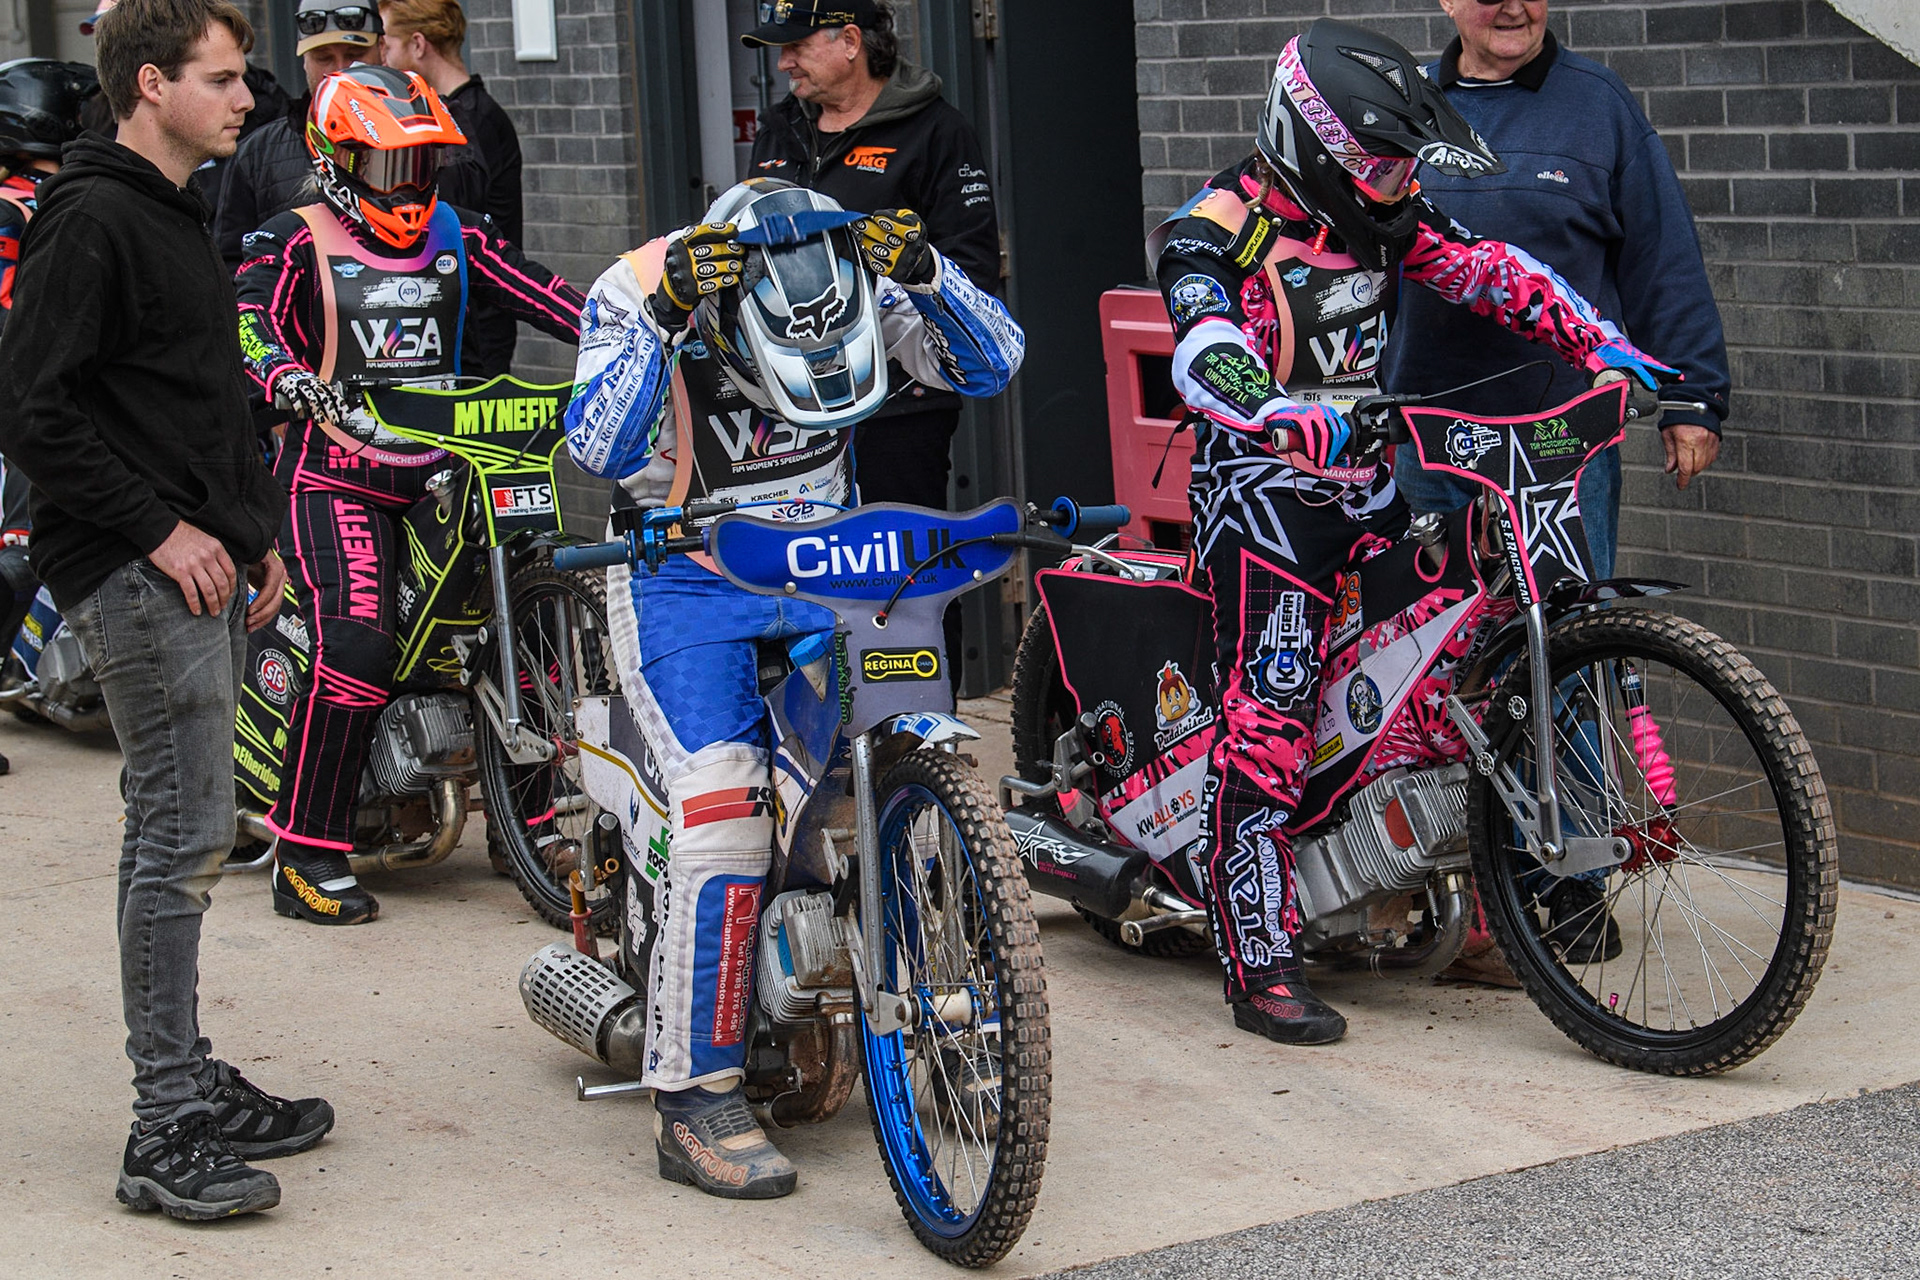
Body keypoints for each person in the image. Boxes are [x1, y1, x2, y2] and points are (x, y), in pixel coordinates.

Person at [1150, 19, 1678, 1047]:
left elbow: (1488, 268)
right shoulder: (1216, 227)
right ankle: (1257, 957)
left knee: (1440, 661)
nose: (1395, 184)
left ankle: (1411, 877)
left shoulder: (1379, 210)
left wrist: (1604, 339)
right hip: (1265, 496)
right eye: (1378, 165)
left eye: (1401, 167)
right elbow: (1201, 337)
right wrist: (1264, 404)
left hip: (1365, 475)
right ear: (1316, 143)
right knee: (1272, 717)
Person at [564, 177, 1023, 1198]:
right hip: (685, 575)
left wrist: (928, 273)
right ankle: (693, 1096)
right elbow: (596, 442)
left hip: (832, 562)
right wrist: (666, 311)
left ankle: (943, 1014)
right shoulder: (637, 285)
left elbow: (995, 359)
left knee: (901, 760)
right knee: (725, 805)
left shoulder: (853, 270)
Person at [0, 0, 332, 1221]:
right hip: (136, 571)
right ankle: (165, 1125)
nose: (250, 101)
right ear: (152, 83)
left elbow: (195, 397)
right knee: (180, 836)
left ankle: (190, 1078)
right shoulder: (88, 219)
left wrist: (250, 535)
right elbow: (31, 412)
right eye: (226, 78)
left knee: (190, 826)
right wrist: (165, 528)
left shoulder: (173, 207)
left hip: (197, 561)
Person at [234, 64, 583, 925]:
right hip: (332, 473)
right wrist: (283, 376)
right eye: (394, 167)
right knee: (356, 646)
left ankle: (526, 828)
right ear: (338, 158)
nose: (413, 186)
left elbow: (550, 293)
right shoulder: (290, 237)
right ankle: (307, 856)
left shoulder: (458, 234)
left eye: (424, 166)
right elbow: (245, 322)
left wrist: (633, 333)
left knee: (519, 634)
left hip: (445, 467)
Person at [1386, 0, 1729, 579]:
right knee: (1427, 650)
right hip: (1427, 436)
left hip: (1562, 440)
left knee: (1566, 651)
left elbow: (1663, 258)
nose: (1514, 7)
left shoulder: (1598, 103)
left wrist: (1693, 394)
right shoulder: (1402, 107)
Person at [0, 59, 102, 768]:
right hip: (28, 401)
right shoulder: (22, 204)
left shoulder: (53, 195)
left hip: (48, 398)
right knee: (16, 550)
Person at [380, 0, 524, 376]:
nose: (383, 59)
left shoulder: (471, 120)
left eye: (388, 46)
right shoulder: (462, 114)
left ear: (417, 44)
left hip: (480, 322)